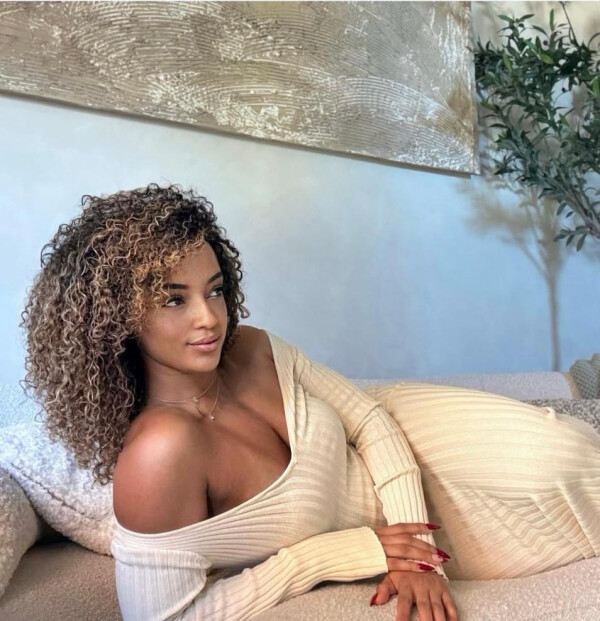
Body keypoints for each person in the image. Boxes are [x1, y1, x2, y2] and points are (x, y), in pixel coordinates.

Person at [20, 183, 600, 621]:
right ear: (118, 318)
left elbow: (368, 418)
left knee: (570, 447)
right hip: (393, 525)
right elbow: (168, 617)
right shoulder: (158, 455)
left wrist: (416, 549)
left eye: (215, 291)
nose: (209, 318)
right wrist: (331, 555)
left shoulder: (251, 347)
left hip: (409, 433)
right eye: (175, 300)